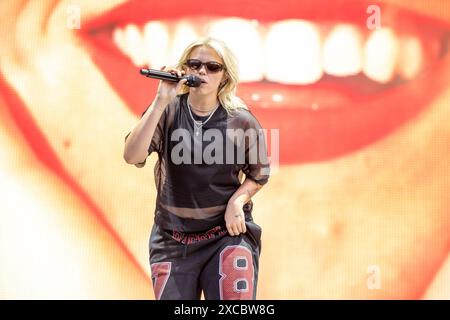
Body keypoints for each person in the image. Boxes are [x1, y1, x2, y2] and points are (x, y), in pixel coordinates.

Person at [123, 37, 270, 300]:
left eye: (212, 67)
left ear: (224, 77)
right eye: (194, 65)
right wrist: (160, 100)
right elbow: (132, 155)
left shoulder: (241, 121)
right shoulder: (167, 111)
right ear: (184, 70)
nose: (202, 72)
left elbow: (260, 174)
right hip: (172, 240)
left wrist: (237, 201)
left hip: (225, 236)